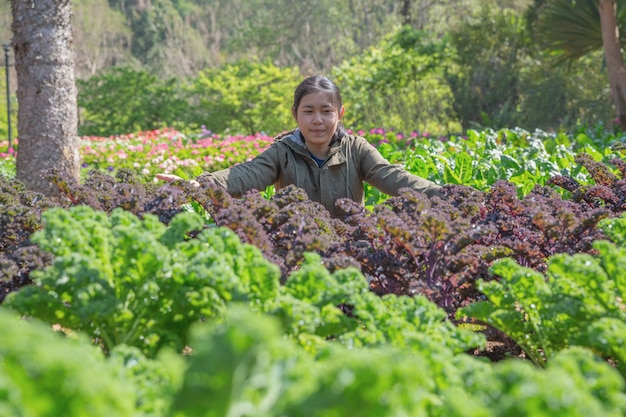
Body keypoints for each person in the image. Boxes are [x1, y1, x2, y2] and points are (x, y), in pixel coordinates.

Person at [157, 75, 442, 218]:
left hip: (350, 253)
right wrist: (197, 186)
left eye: (326, 111)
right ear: (295, 113)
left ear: (339, 113)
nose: (317, 120)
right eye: (308, 111)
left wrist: (447, 195)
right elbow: (246, 174)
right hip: (295, 250)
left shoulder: (356, 150)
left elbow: (395, 178)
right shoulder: (283, 152)